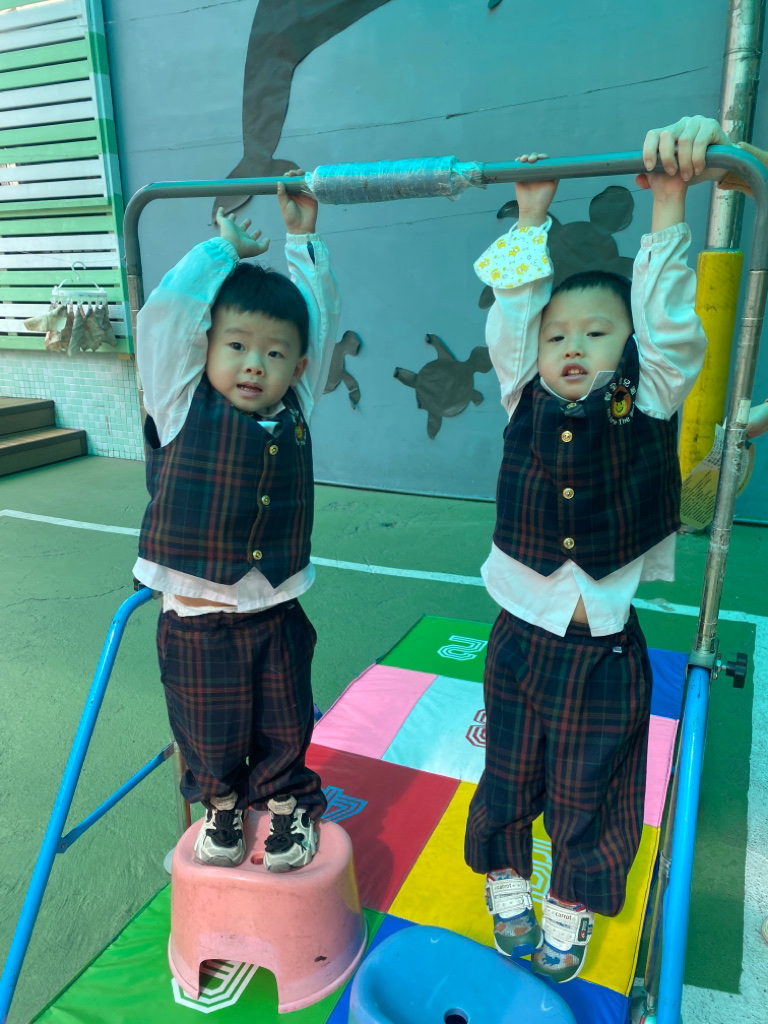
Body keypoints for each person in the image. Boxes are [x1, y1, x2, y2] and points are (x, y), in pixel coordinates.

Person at [465, 149, 708, 982]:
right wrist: (531, 215)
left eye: (597, 333)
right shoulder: (520, 392)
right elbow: (511, 315)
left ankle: (570, 897)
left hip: (601, 653)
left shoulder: (649, 396)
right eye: (558, 336)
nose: (572, 346)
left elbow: (670, 324)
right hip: (518, 640)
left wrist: (668, 206)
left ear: (631, 347)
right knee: (508, 770)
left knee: (590, 788)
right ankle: (504, 874)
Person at [133, 174, 341, 871]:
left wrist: (303, 241)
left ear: (297, 366)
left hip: (274, 610)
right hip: (196, 619)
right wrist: (219, 251)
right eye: (237, 346)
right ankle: (221, 806)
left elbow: (318, 321)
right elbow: (165, 317)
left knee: (285, 722)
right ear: (205, 349)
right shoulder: (177, 399)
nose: (255, 364)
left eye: (275, 354)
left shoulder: (296, 404)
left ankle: (285, 807)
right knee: (207, 730)